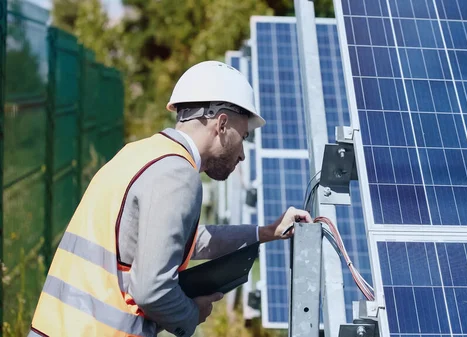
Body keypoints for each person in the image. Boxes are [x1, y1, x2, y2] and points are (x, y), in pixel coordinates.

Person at [28, 60, 312, 337]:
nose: (242, 154)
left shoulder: (139, 153)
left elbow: (176, 238)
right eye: (244, 137)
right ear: (222, 124)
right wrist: (191, 315)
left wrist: (265, 232)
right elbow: (152, 288)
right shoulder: (178, 174)